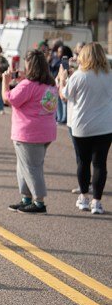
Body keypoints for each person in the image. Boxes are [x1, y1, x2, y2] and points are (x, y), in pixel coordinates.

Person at [59, 43, 112, 215]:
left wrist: (61, 79)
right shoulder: (109, 75)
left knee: (83, 162)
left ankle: (83, 197)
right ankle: (97, 202)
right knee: (100, 164)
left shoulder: (79, 76)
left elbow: (65, 96)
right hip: (105, 126)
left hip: (82, 125)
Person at [3, 50, 58, 214]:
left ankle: (39, 202)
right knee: (24, 166)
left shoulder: (28, 85)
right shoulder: (50, 84)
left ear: (30, 66)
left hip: (28, 133)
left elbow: (9, 98)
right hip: (45, 131)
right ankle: (26, 199)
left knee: (31, 167)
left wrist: (5, 82)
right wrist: (21, 81)